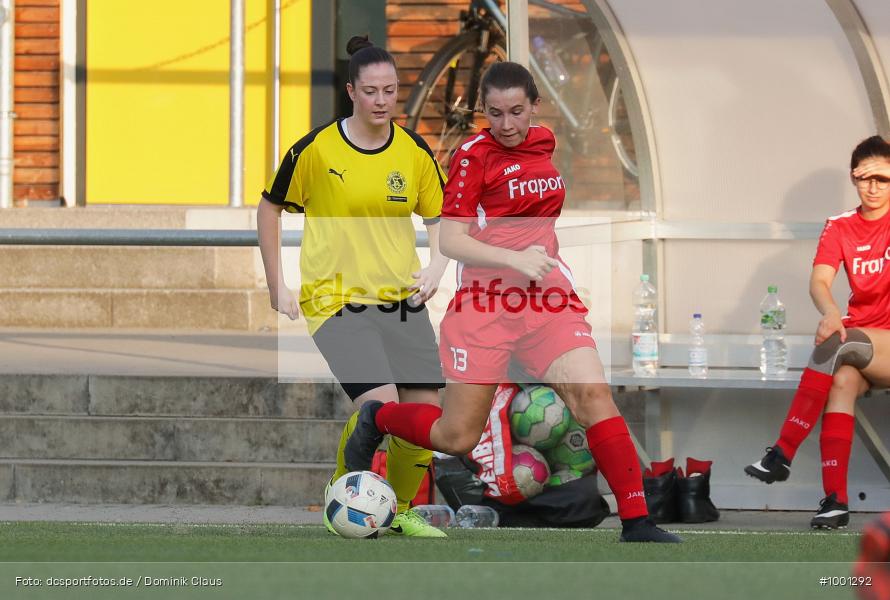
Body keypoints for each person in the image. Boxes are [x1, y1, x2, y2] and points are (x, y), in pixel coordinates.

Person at [344, 61, 681, 543]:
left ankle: (636, 521)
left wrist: (535, 262)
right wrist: (514, 258)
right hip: (485, 309)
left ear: (535, 107)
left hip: (547, 302)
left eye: (517, 111)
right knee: (457, 435)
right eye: (496, 113)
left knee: (595, 395)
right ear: (484, 111)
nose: (506, 124)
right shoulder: (471, 157)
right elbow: (454, 240)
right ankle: (378, 418)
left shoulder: (544, 141)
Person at [257, 36, 450, 537]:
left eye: (390, 89)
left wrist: (436, 267)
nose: (382, 100)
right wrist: (277, 283)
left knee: (426, 416)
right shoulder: (316, 149)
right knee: (382, 406)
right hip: (336, 298)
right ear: (351, 92)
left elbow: (440, 219)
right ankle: (343, 492)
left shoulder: (413, 151)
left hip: (401, 301)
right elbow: (269, 207)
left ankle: (402, 510)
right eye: (371, 91)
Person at [745, 135, 890, 529]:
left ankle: (783, 450)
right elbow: (819, 283)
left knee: (842, 344)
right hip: (864, 344)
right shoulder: (840, 226)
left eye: (883, 179)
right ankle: (835, 501)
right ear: (854, 179)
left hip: (875, 342)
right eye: (865, 179)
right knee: (841, 378)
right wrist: (830, 312)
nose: (873, 188)